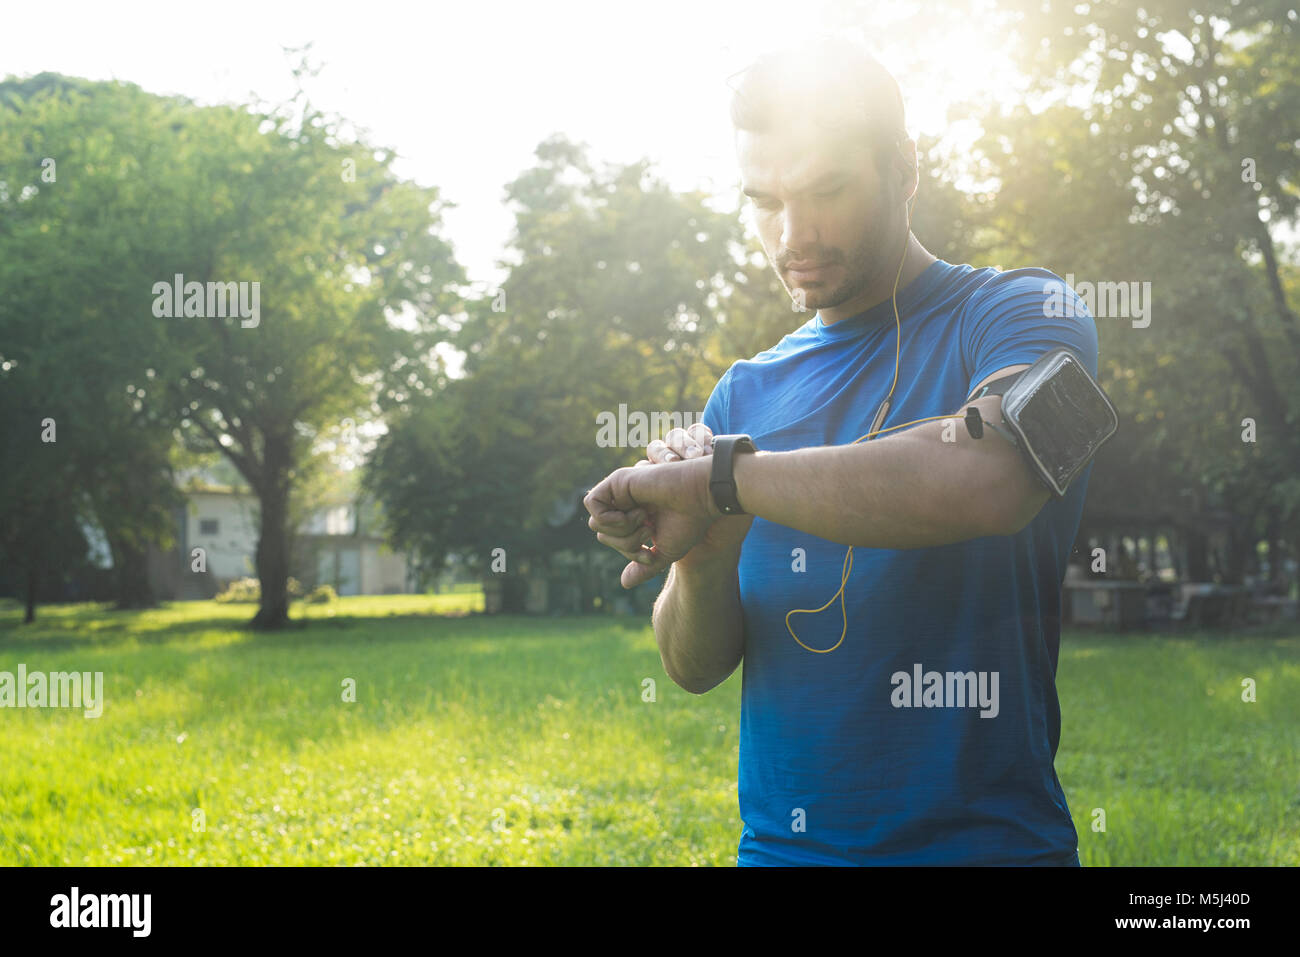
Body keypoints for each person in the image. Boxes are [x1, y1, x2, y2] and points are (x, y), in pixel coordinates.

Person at [584, 35, 1097, 866]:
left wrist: (729, 479)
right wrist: (706, 559)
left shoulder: (1019, 313)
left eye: (827, 188)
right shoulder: (743, 393)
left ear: (904, 170)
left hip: (990, 850)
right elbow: (692, 666)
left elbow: (992, 474)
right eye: (763, 200)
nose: (796, 233)